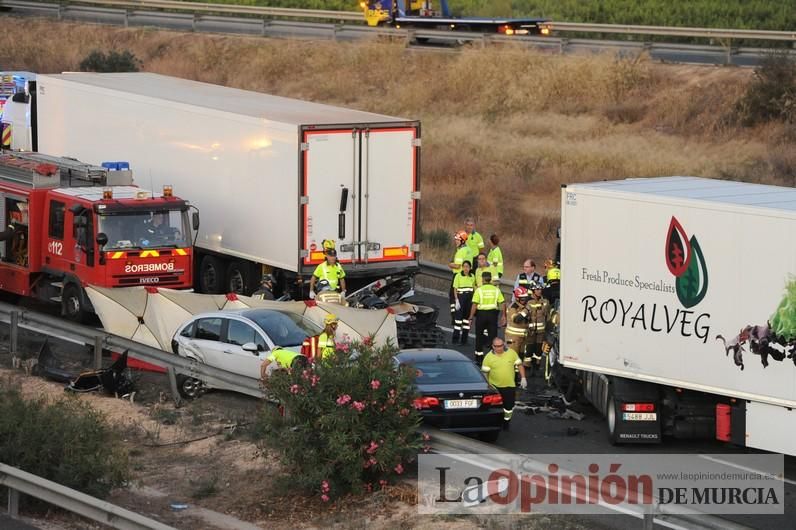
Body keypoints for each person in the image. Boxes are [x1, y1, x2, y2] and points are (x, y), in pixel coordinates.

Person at [481, 338, 527, 430]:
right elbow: (485, 373)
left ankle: (506, 422)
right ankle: (494, 423)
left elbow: (519, 365)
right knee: (493, 407)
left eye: (501, 346)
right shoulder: (488, 358)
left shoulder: (511, 353)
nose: (499, 348)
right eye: (496, 346)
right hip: (495, 387)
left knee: (509, 407)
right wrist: (487, 385)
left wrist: (523, 377)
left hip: (509, 386)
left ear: (504, 345)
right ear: (493, 346)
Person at [469, 271, 506, 366]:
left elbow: (474, 305)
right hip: (493, 315)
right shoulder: (496, 290)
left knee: (479, 337)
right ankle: (492, 359)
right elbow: (503, 302)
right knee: (492, 337)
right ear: (490, 279)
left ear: (482, 279)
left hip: (481, 315)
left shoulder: (479, 290)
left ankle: (479, 359)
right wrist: (503, 315)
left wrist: (470, 317)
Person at [525, 281, 551, 376]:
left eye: (540, 289)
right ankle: (527, 367)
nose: (539, 291)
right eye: (537, 289)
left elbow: (547, 316)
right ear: (533, 290)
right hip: (530, 331)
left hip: (541, 331)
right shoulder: (528, 302)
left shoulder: (545, 302)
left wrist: (548, 330)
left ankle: (536, 366)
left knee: (538, 350)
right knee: (529, 349)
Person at [448, 230, 471, 317]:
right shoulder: (469, 249)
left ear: (462, 241)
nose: (455, 241)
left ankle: (454, 314)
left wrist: (450, 264)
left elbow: (457, 266)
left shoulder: (460, 251)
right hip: (467, 276)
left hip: (457, 276)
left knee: (452, 296)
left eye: (457, 240)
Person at [452, 260, 475, 344]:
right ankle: (455, 339)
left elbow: (474, 288)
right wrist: (456, 300)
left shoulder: (472, 276)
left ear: (470, 268)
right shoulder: (458, 276)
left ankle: (464, 340)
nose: (466, 268)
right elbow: (455, 289)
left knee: (466, 320)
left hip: (470, 299)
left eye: (467, 267)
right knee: (458, 319)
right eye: (464, 266)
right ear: (462, 267)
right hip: (461, 298)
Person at [505, 287, 530, 360]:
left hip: (522, 337)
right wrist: (526, 311)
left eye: (526, 298)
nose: (524, 301)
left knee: (520, 358)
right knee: (512, 357)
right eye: (522, 299)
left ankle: (517, 370)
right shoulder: (513, 307)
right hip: (513, 338)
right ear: (517, 299)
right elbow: (516, 319)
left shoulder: (524, 307)